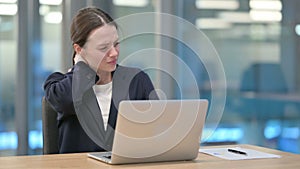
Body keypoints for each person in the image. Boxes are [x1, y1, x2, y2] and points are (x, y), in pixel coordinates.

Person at [43, 6, 158, 154]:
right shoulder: (57, 86)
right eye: (103, 48)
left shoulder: (136, 80)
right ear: (79, 49)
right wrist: (82, 67)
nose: (114, 53)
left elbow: (156, 128)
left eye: (116, 44)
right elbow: (68, 101)